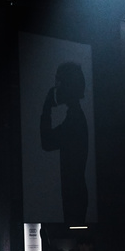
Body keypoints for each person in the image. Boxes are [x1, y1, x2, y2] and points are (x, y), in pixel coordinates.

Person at [41, 62, 89, 225]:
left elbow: (46, 142)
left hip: (74, 196)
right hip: (76, 193)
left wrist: (47, 107)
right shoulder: (75, 117)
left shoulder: (74, 120)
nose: (56, 87)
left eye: (59, 82)